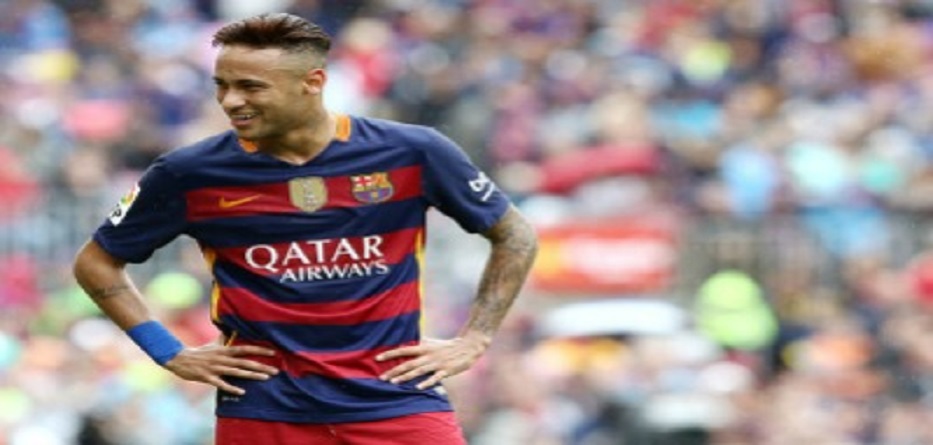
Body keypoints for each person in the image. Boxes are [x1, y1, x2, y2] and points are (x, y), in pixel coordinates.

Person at [72, 12, 538, 445]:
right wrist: (169, 352)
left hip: (397, 399)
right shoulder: (189, 173)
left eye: (250, 87)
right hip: (264, 409)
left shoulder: (412, 152)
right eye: (222, 85)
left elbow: (515, 235)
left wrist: (475, 338)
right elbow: (97, 263)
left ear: (312, 83)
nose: (231, 101)